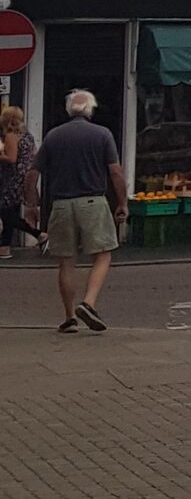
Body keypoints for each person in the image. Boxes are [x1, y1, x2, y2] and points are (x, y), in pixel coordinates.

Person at [24, 88, 126, 333]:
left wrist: (31, 203)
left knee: (66, 262)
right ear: (90, 110)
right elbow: (115, 171)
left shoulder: (53, 136)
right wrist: (122, 202)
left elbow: (32, 173)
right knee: (102, 254)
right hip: (93, 201)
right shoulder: (102, 134)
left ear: (69, 110)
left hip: (60, 204)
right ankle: (89, 303)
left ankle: (70, 317)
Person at [0, 104, 37, 259]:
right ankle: (4, 249)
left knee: (5, 212)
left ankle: (39, 234)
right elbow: (34, 154)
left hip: (11, 178)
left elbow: (11, 158)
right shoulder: (27, 135)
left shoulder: (10, 135)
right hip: (23, 176)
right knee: (10, 211)